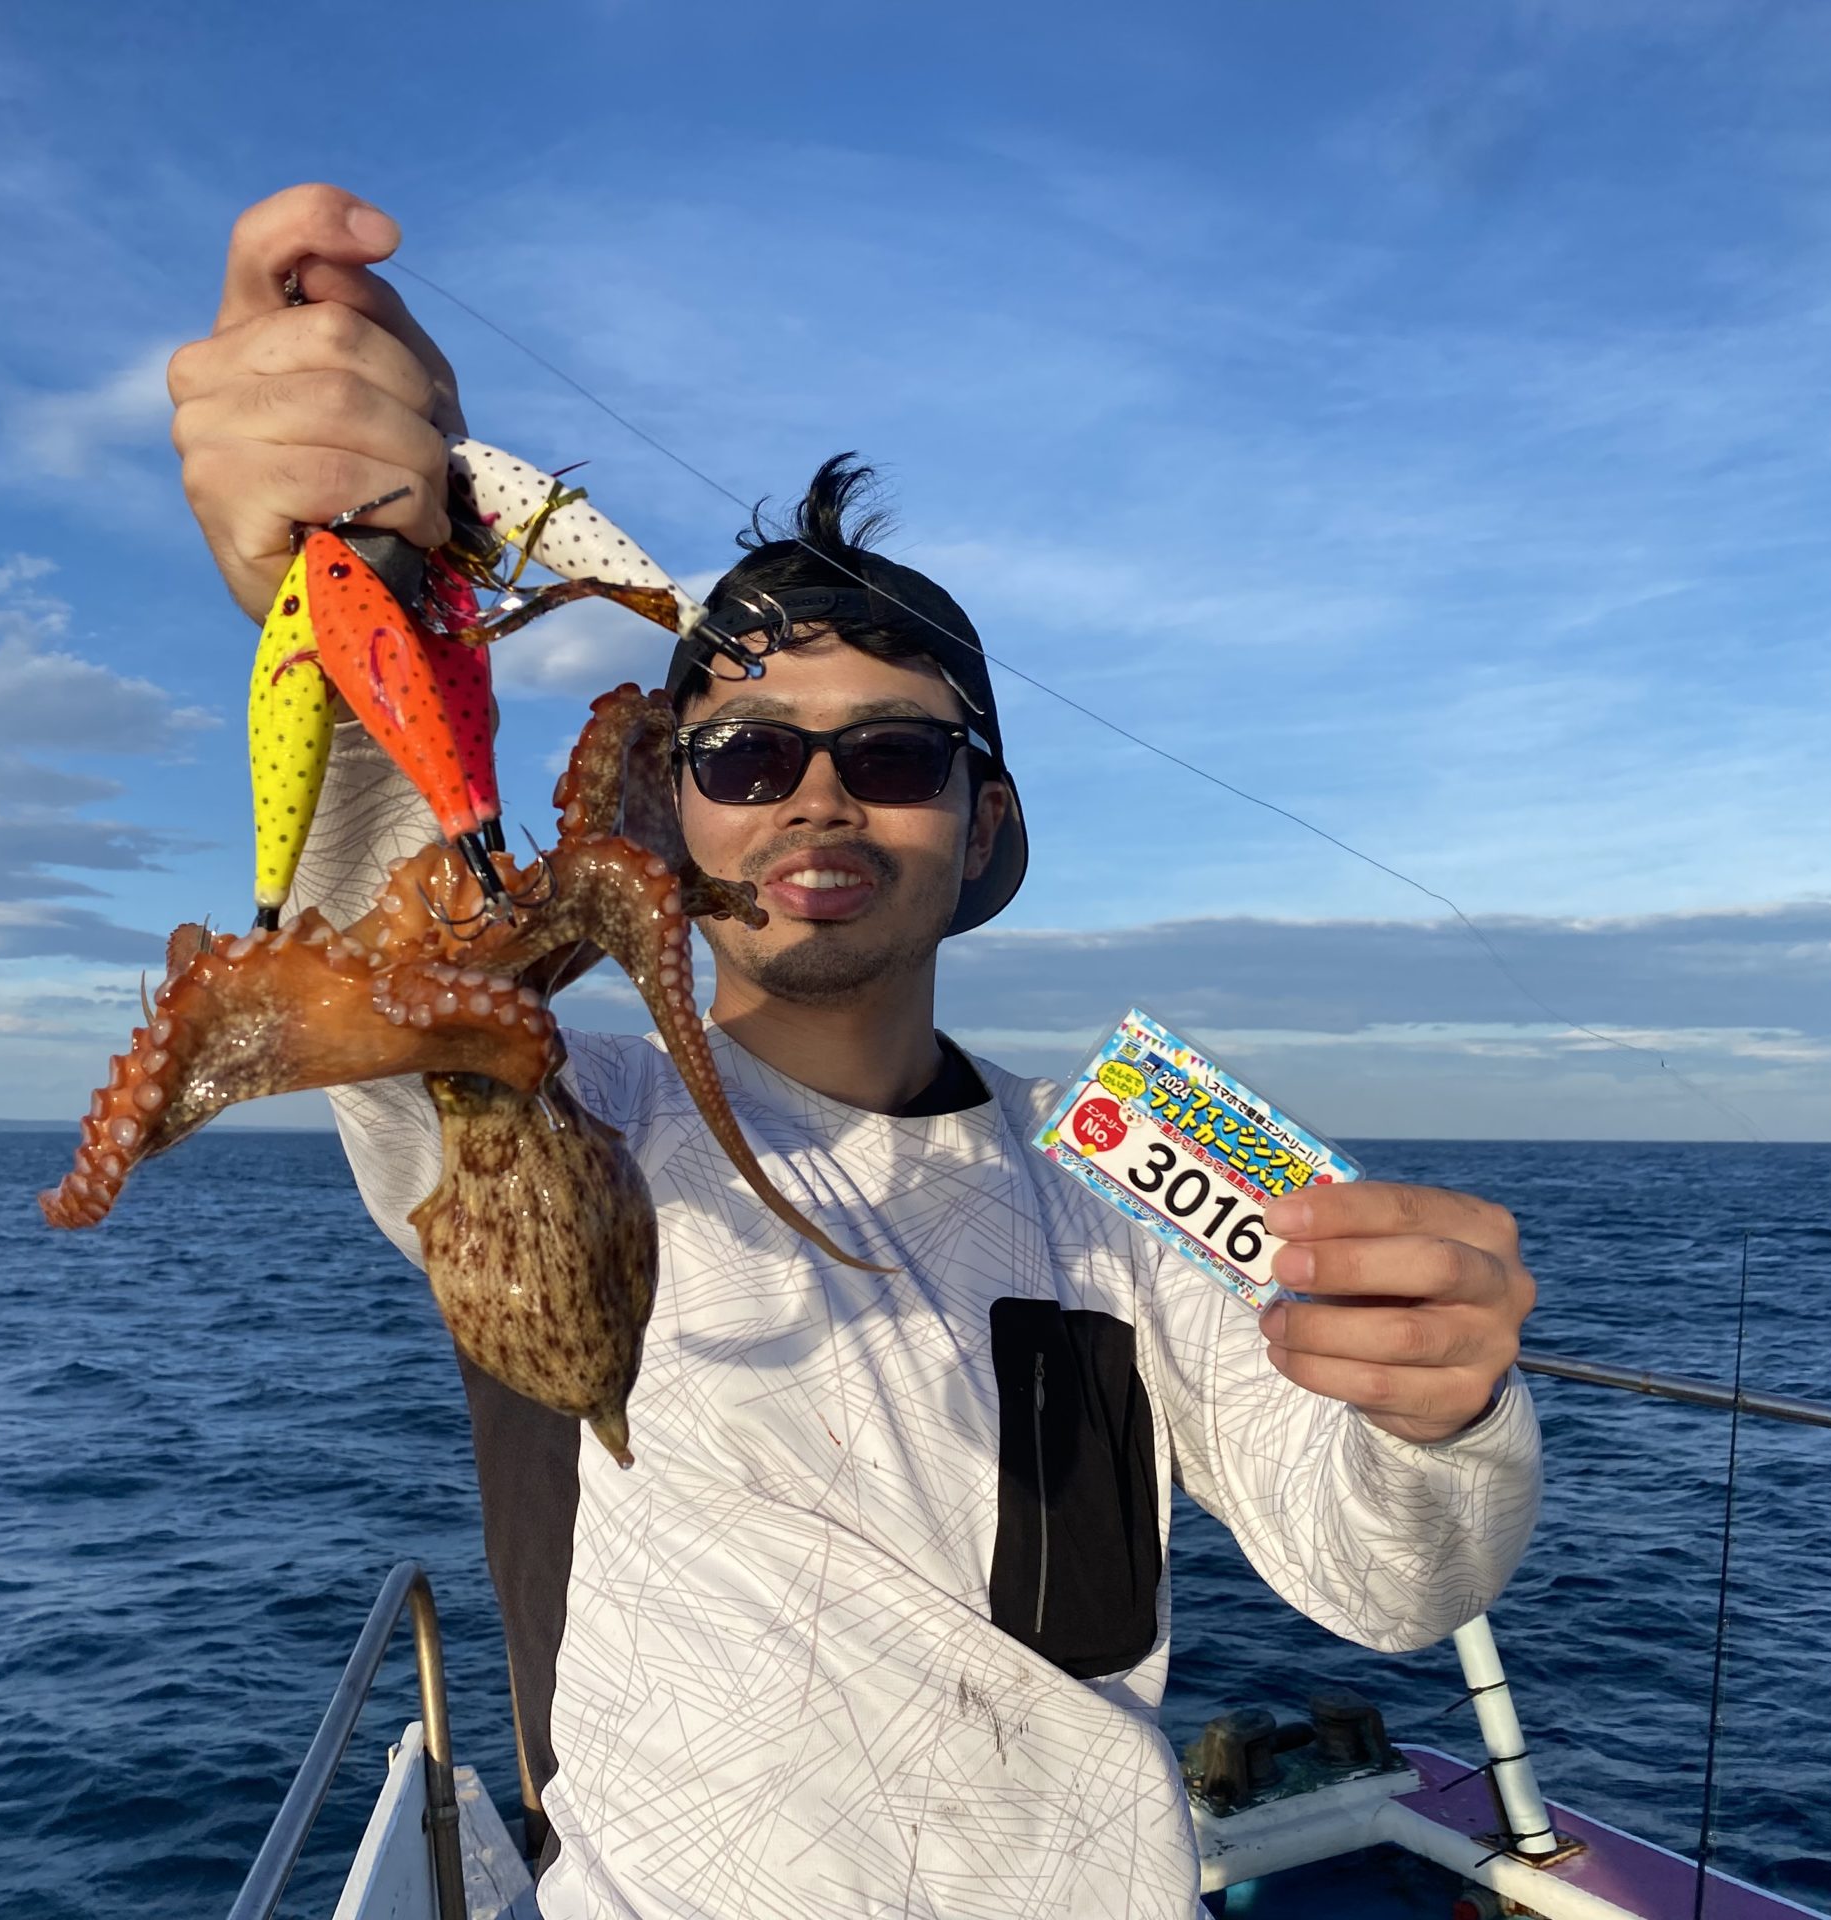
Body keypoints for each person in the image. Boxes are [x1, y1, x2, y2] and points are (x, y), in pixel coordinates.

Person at [168, 185, 1542, 1920]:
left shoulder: (1141, 1142)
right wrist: (358, 570)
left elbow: (1393, 1579)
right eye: (744, 757)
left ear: (983, 825)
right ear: (667, 811)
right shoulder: (559, 1102)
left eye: (895, 757)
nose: (817, 800)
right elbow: (389, 969)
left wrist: (1443, 1406)